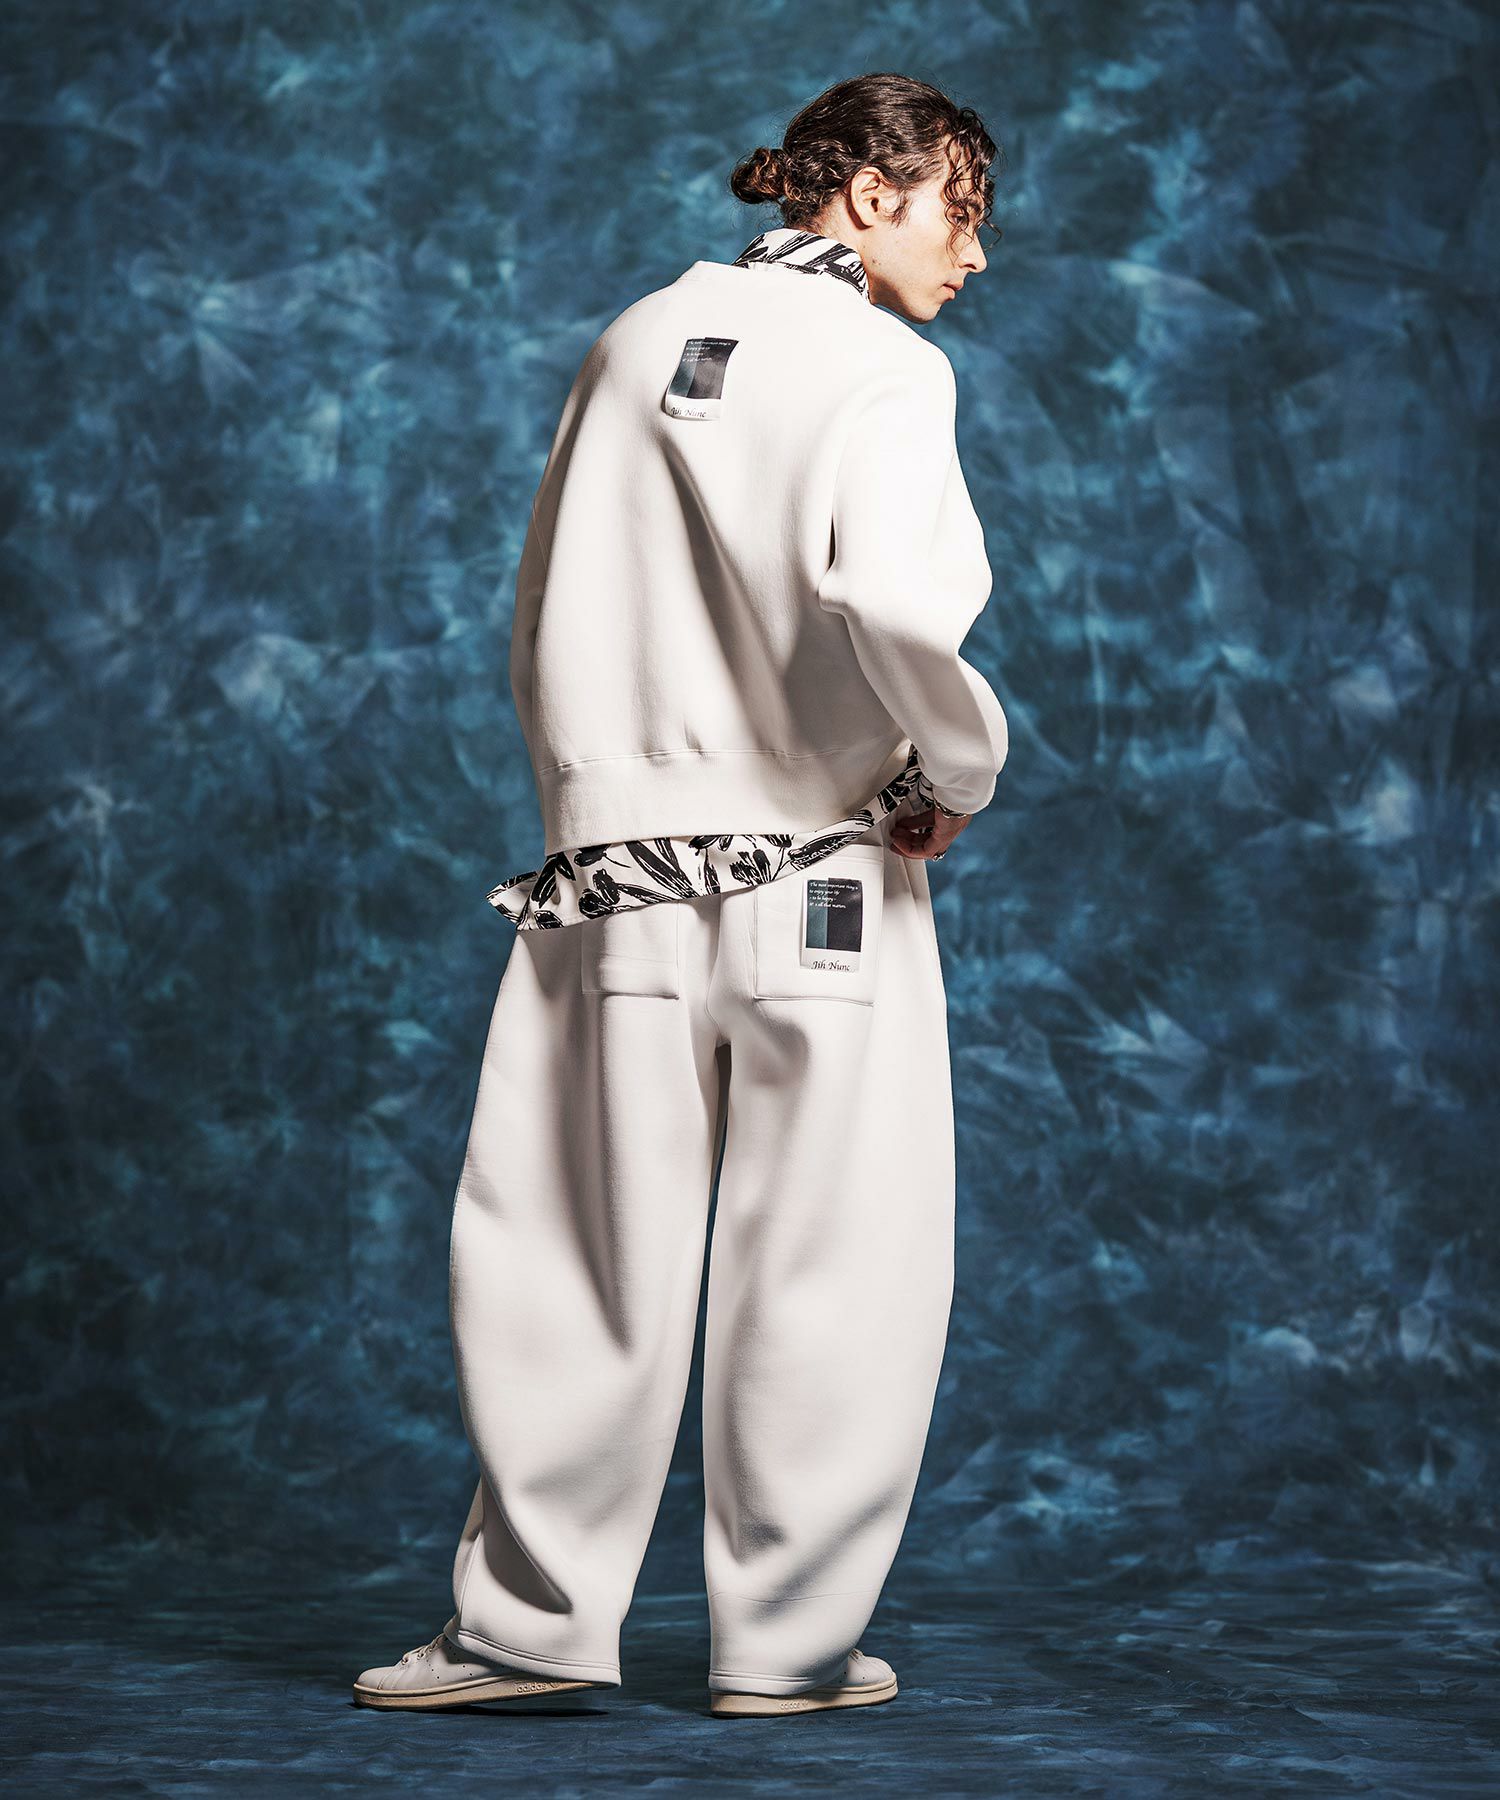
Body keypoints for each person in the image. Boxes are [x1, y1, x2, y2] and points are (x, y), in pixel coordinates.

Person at [353, 70, 1008, 1719]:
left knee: (572, 1243)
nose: (975, 255)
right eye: (964, 211)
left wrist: (592, 798)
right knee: (834, 1258)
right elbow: (893, 610)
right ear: (875, 190)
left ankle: (522, 1629)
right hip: (826, 874)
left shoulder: (635, 338)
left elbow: (540, 611)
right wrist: (952, 777)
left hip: (614, 868)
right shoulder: (886, 367)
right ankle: (785, 1648)